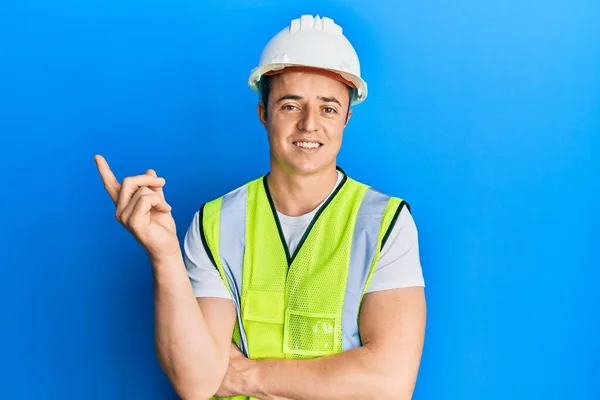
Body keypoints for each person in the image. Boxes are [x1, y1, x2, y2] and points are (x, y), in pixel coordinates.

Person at [95, 14, 426, 400]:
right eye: (290, 105)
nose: (309, 124)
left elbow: (389, 383)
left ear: (347, 119)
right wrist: (164, 255)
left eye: (328, 108)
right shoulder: (214, 223)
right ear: (263, 113)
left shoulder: (386, 223)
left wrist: (245, 376)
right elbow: (197, 382)